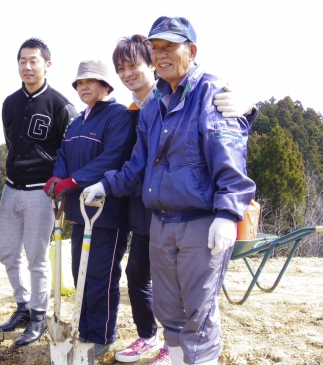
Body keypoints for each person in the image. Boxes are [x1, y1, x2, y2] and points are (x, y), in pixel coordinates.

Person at [84, 17, 256, 365]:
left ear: (191, 51)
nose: (161, 56)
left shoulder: (211, 92)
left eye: (169, 48)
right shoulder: (154, 106)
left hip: (201, 223)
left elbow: (230, 159)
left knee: (199, 314)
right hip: (161, 223)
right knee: (169, 310)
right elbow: (137, 167)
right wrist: (106, 185)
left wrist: (227, 214)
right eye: (156, 49)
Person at [43, 60, 135, 357]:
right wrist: (58, 177)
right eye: (80, 83)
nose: (83, 86)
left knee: (100, 276)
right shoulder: (77, 121)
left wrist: (74, 179)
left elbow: (114, 156)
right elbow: (63, 153)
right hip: (80, 211)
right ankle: (83, 330)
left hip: (106, 211)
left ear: (106, 86)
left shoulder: (118, 116)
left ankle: (102, 335)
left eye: (90, 82)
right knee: (79, 271)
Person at [0, 37, 77, 347]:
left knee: (37, 259)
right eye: (22, 61)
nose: (27, 66)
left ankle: (40, 317)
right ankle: (24, 307)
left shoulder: (60, 104)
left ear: (47, 65)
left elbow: (69, 150)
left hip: (42, 193)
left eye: (34, 61)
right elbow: (12, 143)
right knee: (7, 252)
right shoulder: (10, 103)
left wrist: (63, 189)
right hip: (11, 189)